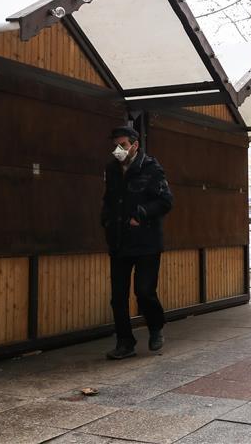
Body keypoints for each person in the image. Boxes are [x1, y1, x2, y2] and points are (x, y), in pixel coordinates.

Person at [101, 125, 174, 360]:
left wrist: (141, 214)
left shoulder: (151, 168)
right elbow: (108, 200)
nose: (118, 150)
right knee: (118, 297)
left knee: (144, 291)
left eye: (122, 145)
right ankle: (125, 342)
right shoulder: (112, 169)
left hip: (146, 242)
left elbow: (165, 201)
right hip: (119, 241)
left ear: (134, 145)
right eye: (115, 145)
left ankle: (156, 326)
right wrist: (106, 221)